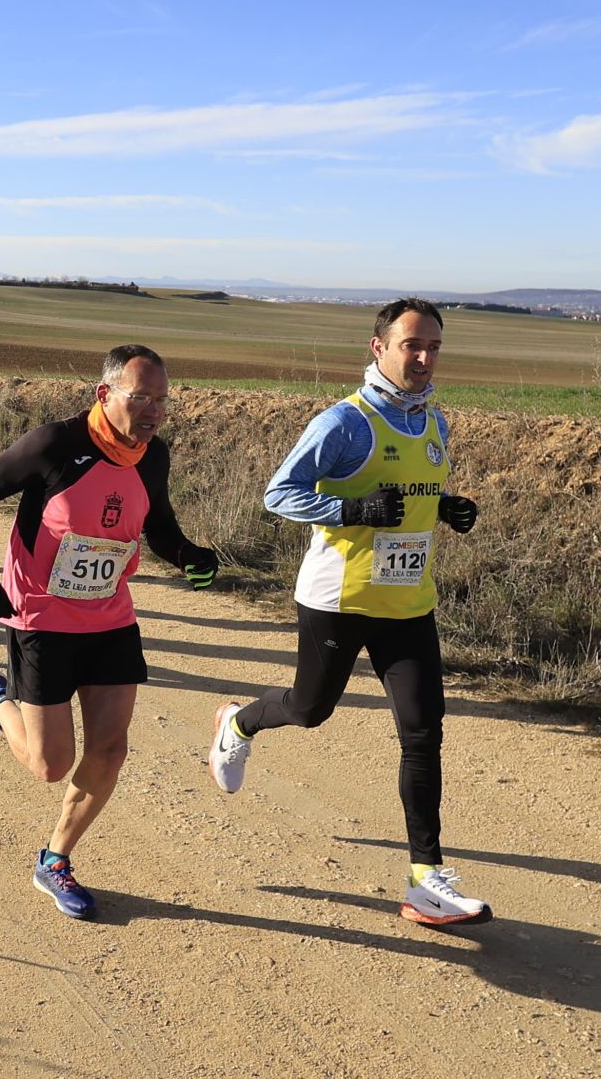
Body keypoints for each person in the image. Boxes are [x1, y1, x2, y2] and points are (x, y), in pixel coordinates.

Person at [206, 297, 491, 927]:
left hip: (409, 602)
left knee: (423, 731)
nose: (423, 358)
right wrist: (351, 512)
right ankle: (239, 723)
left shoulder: (435, 423)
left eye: (434, 347)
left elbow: (414, 491)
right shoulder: (345, 423)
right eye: (411, 345)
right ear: (378, 348)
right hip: (339, 599)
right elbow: (279, 493)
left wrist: (444, 508)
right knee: (310, 710)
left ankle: (425, 880)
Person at [0, 345, 220, 920]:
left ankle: (54, 859)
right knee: (50, 765)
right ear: (106, 394)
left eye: (162, 399)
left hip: (109, 617)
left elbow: (158, 523)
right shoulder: (56, 443)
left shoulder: (153, 455)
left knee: (110, 749)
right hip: (42, 618)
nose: (153, 410)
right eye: (140, 396)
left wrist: (185, 553)